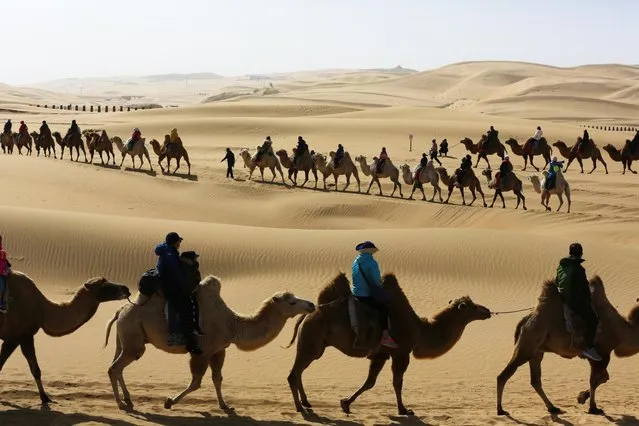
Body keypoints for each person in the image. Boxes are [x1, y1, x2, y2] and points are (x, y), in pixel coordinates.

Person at [155, 232, 203, 355]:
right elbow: (176, 274)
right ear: (175, 242)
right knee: (181, 309)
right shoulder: (170, 254)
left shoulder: (167, 249)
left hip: (167, 283)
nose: (180, 244)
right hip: (169, 286)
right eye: (179, 241)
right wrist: (186, 285)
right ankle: (176, 335)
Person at [556, 243, 602, 362]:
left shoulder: (561, 266)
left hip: (561, 297)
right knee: (593, 320)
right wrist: (588, 299)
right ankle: (589, 347)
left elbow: (557, 281)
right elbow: (584, 288)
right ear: (581, 253)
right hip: (573, 300)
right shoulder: (578, 269)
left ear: (570, 252)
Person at [351, 241, 398, 349]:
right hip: (365, 295)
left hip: (355, 293)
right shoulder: (371, 263)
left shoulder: (355, 261)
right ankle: (385, 337)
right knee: (383, 309)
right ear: (371, 252)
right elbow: (376, 281)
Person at [0, 234, 10, 313]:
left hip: (3, 273)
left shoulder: (2, 252)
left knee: (3, 287)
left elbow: (5, 262)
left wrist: (6, 270)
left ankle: (2, 304)